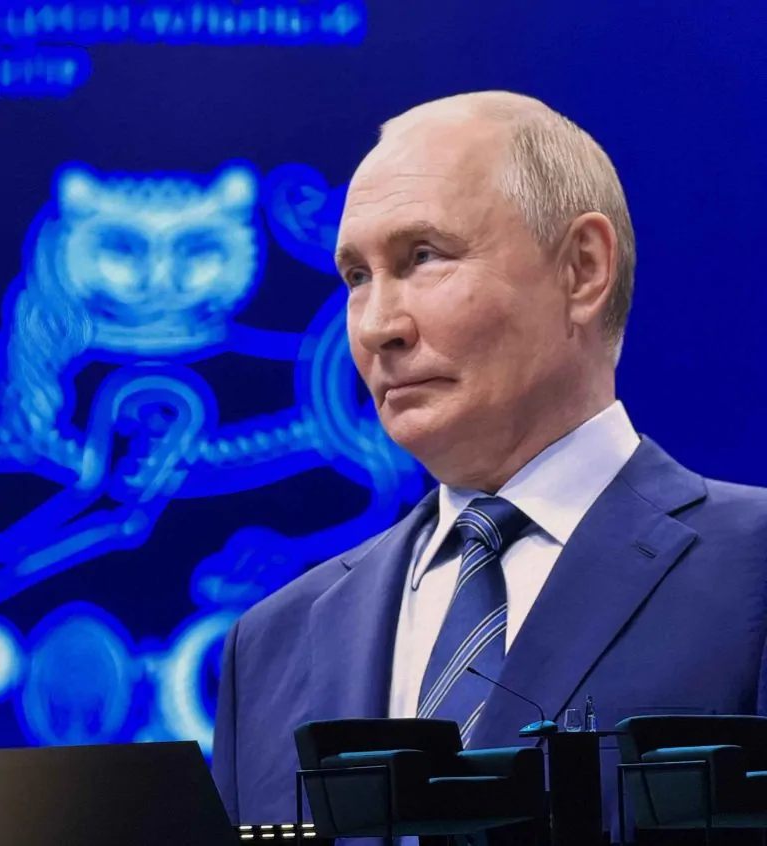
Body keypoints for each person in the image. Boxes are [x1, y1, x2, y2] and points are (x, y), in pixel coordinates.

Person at [212, 91, 767, 840]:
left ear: (582, 269)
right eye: (356, 277)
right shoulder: (268, 644)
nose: (376, 327)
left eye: (423, 257)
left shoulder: (753, 573)